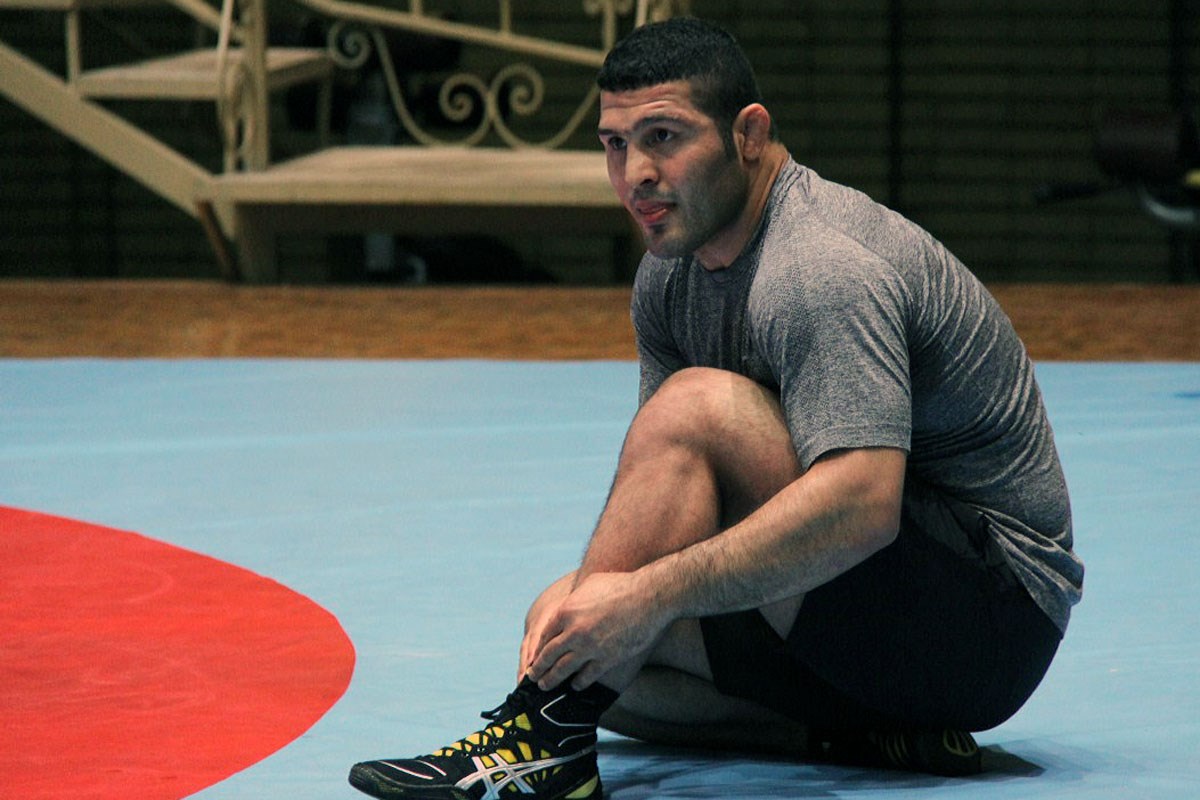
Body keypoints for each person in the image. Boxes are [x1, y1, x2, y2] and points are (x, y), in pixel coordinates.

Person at [348, 16, 1084, 800]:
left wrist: (647, 599)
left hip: (988, 624)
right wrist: (612, 613)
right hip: (871, 618)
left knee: (689, 427)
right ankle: (853, 736)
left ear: (749, 135)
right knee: (566, 628)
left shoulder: (821, 266)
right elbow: (673, 505)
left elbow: (866, 504)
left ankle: (541, 742)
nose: (636, 173)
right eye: (614, 144)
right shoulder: (668, 277)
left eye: (663, 137)